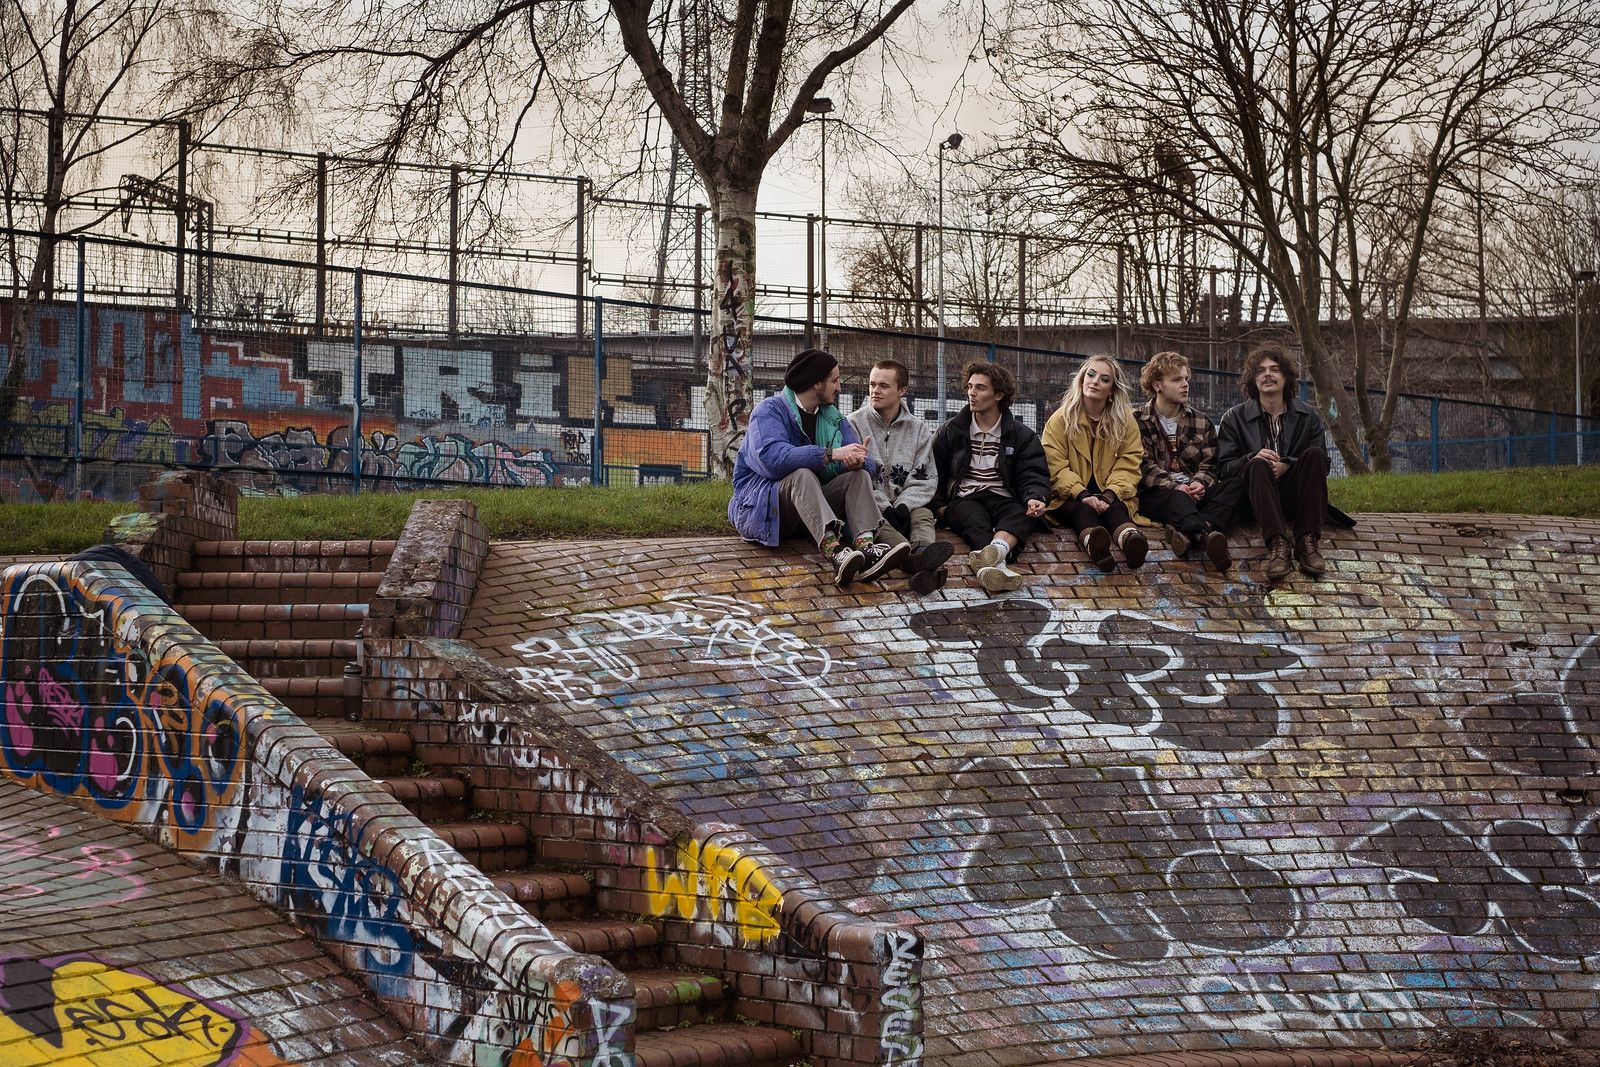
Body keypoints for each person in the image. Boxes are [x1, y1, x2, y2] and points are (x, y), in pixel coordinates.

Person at [729, 348, 910, 586]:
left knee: (858, 476)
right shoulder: (769, 411)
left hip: (811, 511)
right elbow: (772, 460)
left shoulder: (833, 418)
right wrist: (831, 454)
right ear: (816, 383)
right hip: (768, 508)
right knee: (802, 474)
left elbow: (863, 459)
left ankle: (867, 551)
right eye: (834, 381)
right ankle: (834, 551)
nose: (839, 388)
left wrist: (856, 462)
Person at [1215, 344, 1355, 580]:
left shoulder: (1308, 415)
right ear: (1253, 379)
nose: (1267, 374)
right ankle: (1278, 545)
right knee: (1258, 464)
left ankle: (1306, 542)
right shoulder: (1234, 418)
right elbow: (1223, 468)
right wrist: (1252, 457)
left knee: (1314, 454)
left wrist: (1288, 463)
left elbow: (1322, 466)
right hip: (1254, 500)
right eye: (1260, 370)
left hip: (1295, 497)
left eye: (1274, 369)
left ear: (1286, 376)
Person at [932, 360, 1051, 594]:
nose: (971, 393)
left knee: (1025, 514)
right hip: (965, 497)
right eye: (970, 387)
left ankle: (995, 554)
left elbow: (1033, 473)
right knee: (976, 523)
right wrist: (940, 507)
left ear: (998, 395)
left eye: (980, 388)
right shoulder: (951, 430)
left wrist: (1034, 498)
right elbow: (935, 471)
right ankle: (999, 565)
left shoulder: (1021, 435)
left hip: (1003, 497)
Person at [848, 358, 954, 595]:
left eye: (883, 385)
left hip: (908, 504)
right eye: (872, 384)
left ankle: (923, 553)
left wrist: (904, 505)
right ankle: (922, 565)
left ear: (902, 390)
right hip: (873, 506)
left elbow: (925, 478)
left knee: (923, 514)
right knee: (878, 521)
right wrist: (886, 507)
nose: (875, 390)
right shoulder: (853, 424)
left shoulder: (919, 429)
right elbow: (857, 480)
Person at [1041, 355, 1150, 571]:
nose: (1095, 381)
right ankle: (1096, 547)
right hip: (1069, 497)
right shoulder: (1060, 419)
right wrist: (1082, 494)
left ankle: (1131, 542)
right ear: (1081, 379)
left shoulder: (1124, 421)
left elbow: (1130, 462)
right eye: (1091, 375)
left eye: (1104, 379)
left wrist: (1109, 494)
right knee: (1084, 511)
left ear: (1112, 390)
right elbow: (1055, 465)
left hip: (1110, 493)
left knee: (1116, 509)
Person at [1133, 350, 1234, 571]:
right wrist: (1176, 486)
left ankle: (1187, 534)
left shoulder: (1201, 421)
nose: (1185, 384)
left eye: (1186, 378)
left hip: (1195, 492)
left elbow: (1211, 464)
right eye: (1177, 379)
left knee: (1235, 485)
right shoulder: (1136, 420)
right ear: (1157, 385)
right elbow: (1142, 465)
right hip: (1159, 494)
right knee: (1176, 498)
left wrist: (1199, 482)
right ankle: (1205, 536)